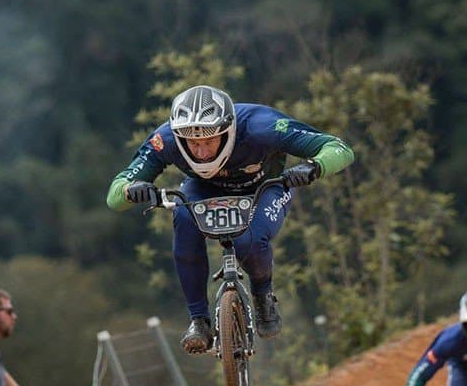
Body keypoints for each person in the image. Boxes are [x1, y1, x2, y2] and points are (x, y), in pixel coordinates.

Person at [106, 85, 355, 354]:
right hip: (204, 189)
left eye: (209, 141)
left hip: (265, 187)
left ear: (228, 130)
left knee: (249, 241)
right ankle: (199, 321)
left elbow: (339, 148)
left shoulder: (262, 126)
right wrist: (132, 190)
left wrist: (314, 166)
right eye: (193, 143)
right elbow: (114, 195)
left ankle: (263, 295)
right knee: (182, 215)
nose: (201, 151)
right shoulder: (165, 139)